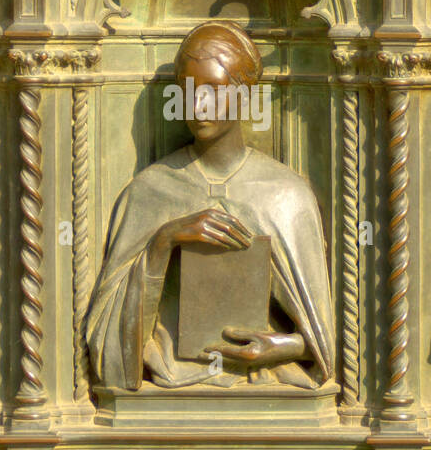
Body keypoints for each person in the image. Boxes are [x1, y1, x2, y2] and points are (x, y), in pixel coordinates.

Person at [86, 21, 334, 390]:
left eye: (215, 91)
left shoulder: (285, 195)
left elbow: (323, 339)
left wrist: (284, 345)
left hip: (270, 392)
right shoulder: (150, 190)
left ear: (245, 96)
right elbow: (107, 345)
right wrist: (162, 242)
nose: (199, 105)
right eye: (188, 90)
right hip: (168, 390)